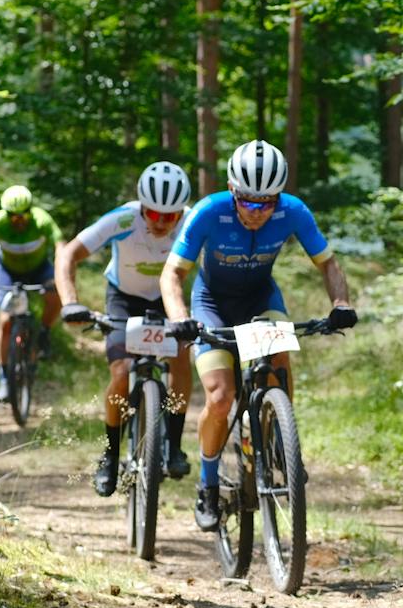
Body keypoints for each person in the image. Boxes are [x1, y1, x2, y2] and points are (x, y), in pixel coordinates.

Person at [160, 140, 357, 532]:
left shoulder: (293, 211)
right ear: (232, 191)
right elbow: (173, 274)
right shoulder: (208, 212)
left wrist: (341, 303)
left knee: (279, 359)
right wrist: (180, 318)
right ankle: (208, 484)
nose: (257, 212)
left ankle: (280, 443)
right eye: (248, 202)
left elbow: (327, 262)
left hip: (260, 299)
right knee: (221, 397)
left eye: (267, 203)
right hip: (211, 304)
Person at [56, 161, 195, 496]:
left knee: (181, 360)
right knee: (121, 371)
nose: (161, 222)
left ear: (181, 212)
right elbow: (68, 254)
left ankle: (174, 446)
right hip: (123, 298)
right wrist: (70, 302)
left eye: (170, 216)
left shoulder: (193, 221)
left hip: (167, 300)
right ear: (142, 207)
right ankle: (110, 455)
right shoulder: (123, 219)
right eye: (153, 214)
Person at [0, 185, 65, 404]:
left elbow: (61, 247)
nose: (19, 220)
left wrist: (58, 277)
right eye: (13, 216)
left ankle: (44, 332)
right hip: (9, 271)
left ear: (30, 211)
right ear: (6, 214)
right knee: (5, 321)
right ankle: (4, 379)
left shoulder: (42, 220)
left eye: (23, 215)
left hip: (39, 268)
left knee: (56, 296)